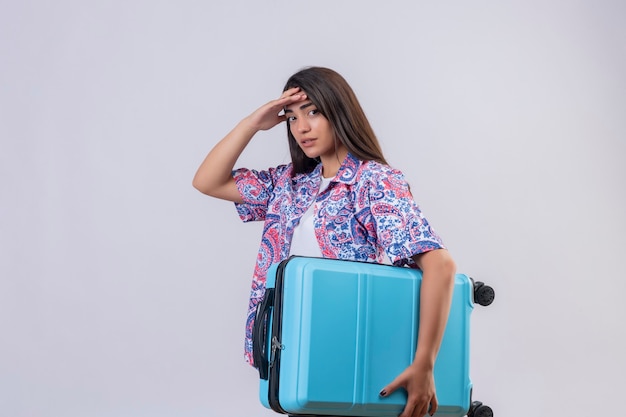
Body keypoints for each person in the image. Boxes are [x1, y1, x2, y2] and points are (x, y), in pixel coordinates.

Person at [193, 66, 456, 417]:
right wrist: (253, 123)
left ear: (339, 111)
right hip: (293, 355)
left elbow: (440, 264)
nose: (301, 127)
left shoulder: (373, 181)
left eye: (313, 112)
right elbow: (207, 181)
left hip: (349, 353)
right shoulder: (288, 183)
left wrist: (425, 364)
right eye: (291, 117)